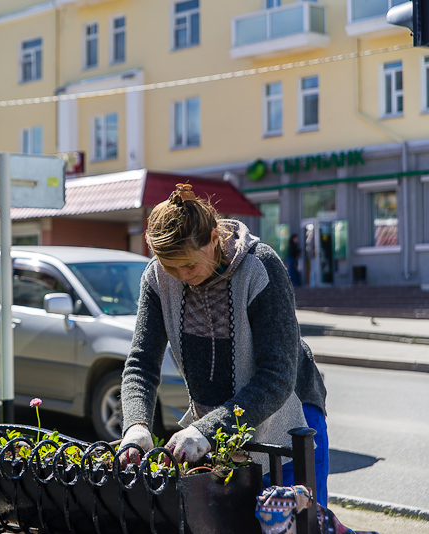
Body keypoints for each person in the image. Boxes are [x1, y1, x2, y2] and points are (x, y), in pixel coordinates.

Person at [119, 184, 329, 506]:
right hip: (220, 431)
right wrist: (136, 426)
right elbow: (141, 364)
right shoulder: (157, 279)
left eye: (189, 265)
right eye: (170, 266)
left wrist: (206, 429)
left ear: (214, 239)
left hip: (291, 421)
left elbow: (277, 377)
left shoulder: (259, 267)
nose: (181, 276)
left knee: (299, 524)